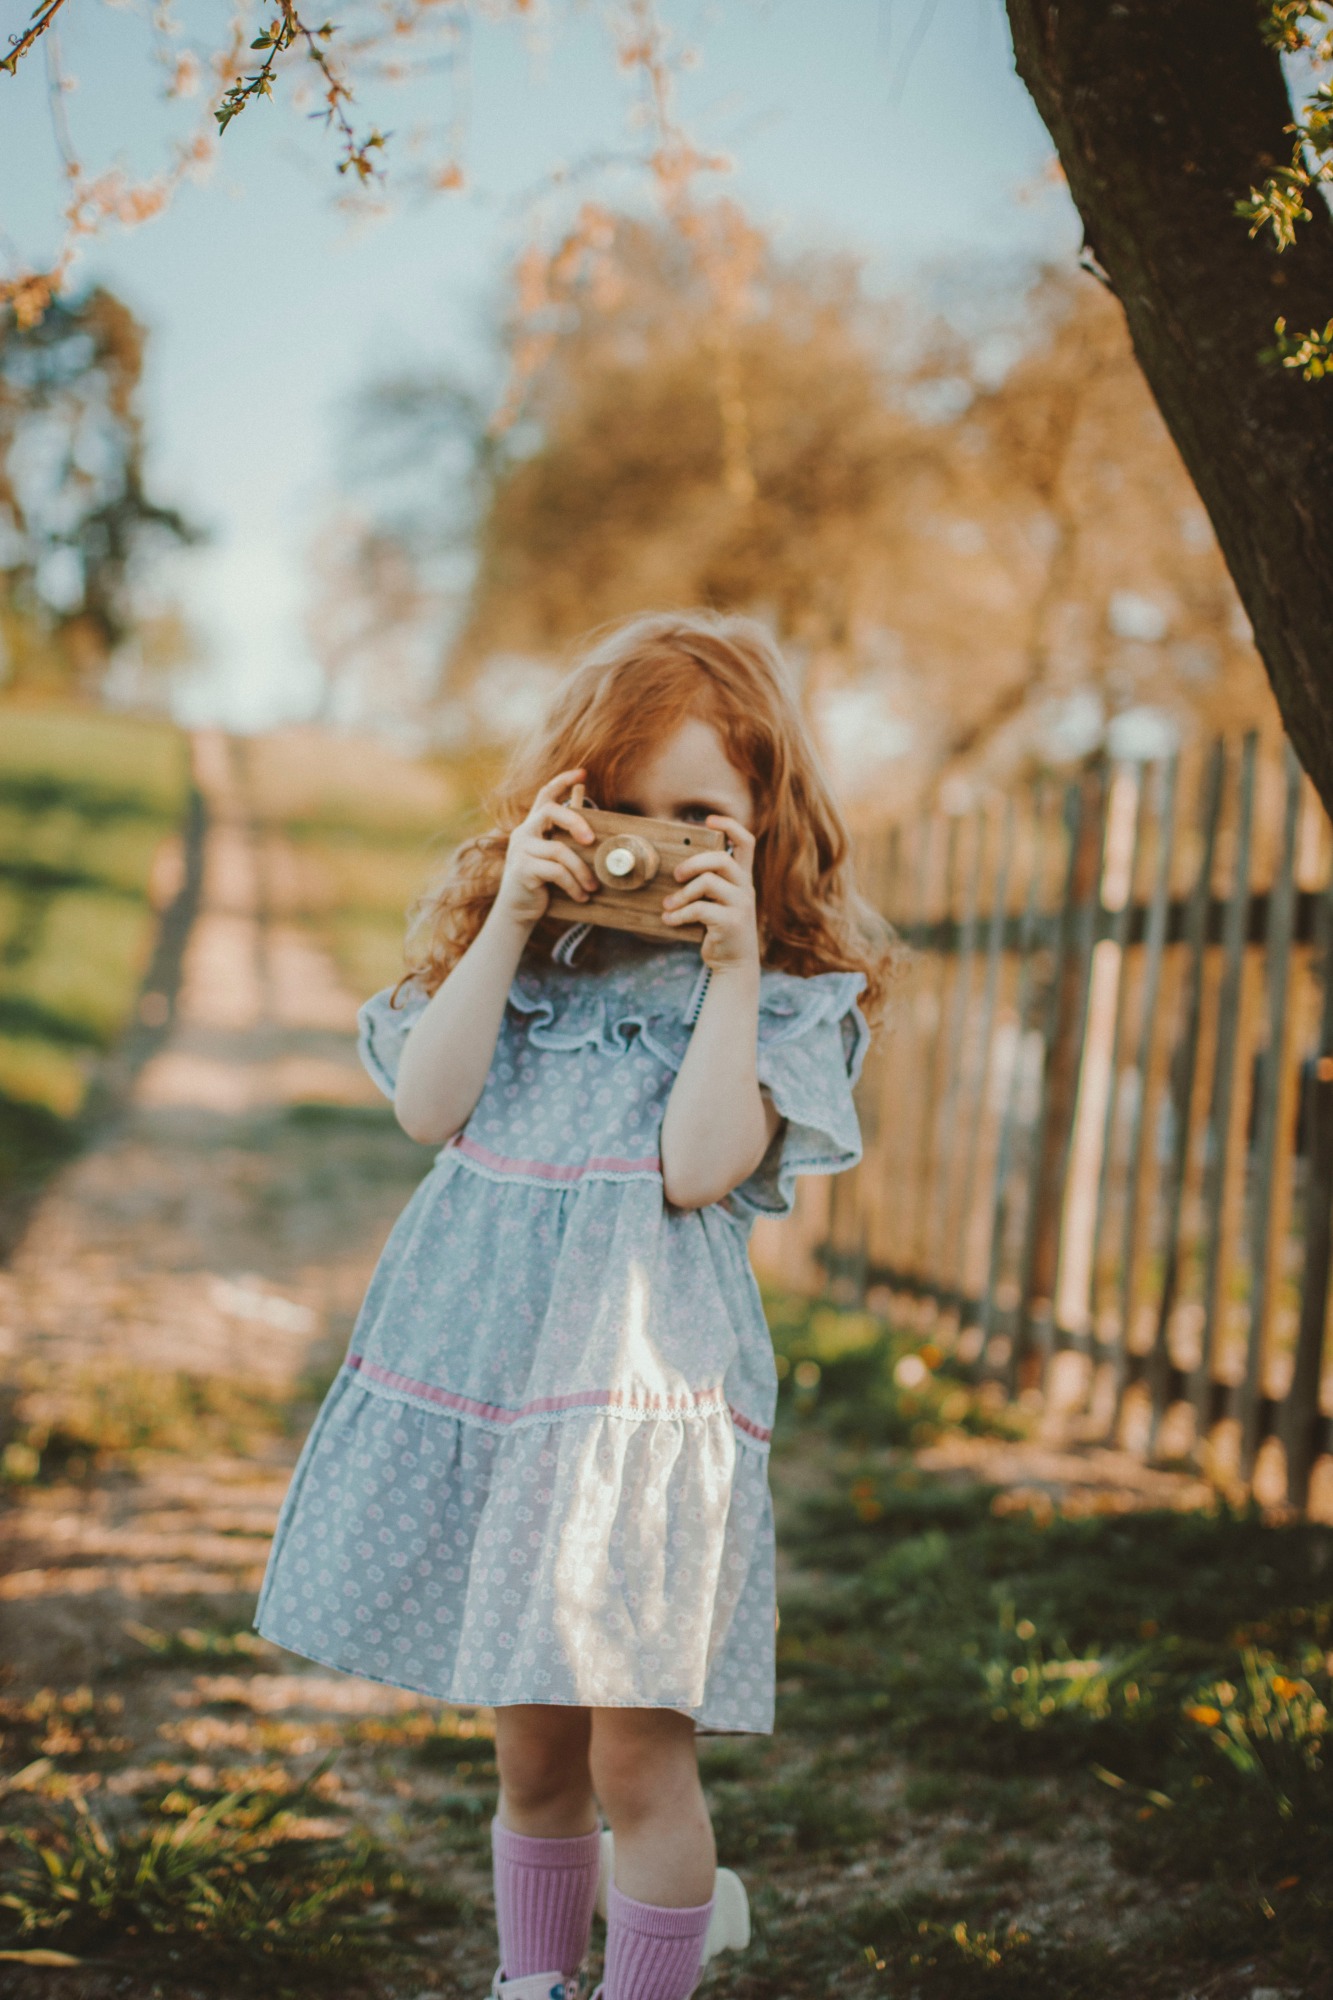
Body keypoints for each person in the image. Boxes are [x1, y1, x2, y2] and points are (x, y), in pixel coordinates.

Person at [253, 611, 893, 2000]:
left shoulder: (783, 1000)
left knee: (634, 1754)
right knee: (533, 1751)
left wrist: (727, 976)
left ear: (764, 820)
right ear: (562, 801)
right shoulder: (522, 969)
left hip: (637, 1410)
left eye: (697, 817)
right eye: (619, 808)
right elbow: (428, 1107)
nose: (651, 845)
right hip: (499, 1393)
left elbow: (696, 1166)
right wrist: (511, 917)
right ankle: (531, 1982)